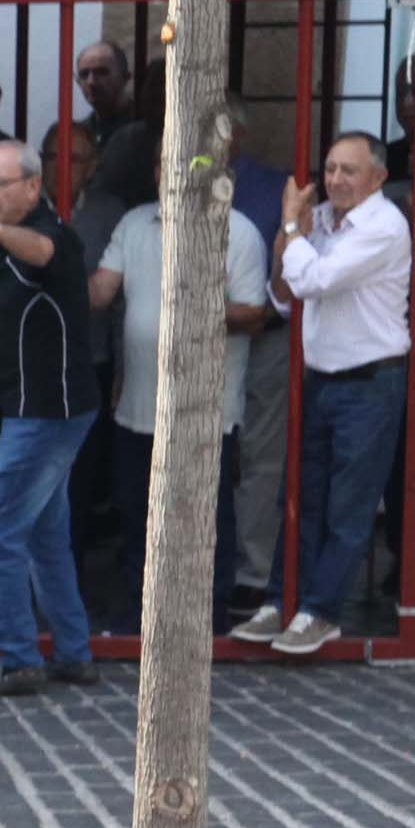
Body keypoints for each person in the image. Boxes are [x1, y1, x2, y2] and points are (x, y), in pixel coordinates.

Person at [86, 121, 271, 631]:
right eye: (165, 164)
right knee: (134, 511)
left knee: (203, 518)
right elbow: (101, 292)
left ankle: (202, 619)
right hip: (137, 404)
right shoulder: (135, 223)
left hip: (203, 407)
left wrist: (192, 309)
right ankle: (135, 612)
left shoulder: (239, 233)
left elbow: (254, 314)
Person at [236, 131, 413, 656]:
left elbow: (312, 281)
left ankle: (320, 610)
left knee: (348, 508)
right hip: (322, 380)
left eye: (348, 170)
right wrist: (290, 241)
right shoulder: (328, 224)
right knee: (301, 497)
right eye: (331, 168)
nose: (335, 179)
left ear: (377, 177)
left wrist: (291, 226)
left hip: (369, 383)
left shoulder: (382, 226)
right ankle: (283, 599)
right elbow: (284, 297)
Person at [0, 138, 101, 692]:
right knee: (42, 534)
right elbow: (8, 266)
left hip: (46, 415)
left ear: (34, 186)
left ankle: (18, 660)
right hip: (40, 411)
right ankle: (73, 652)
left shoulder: (53, 235)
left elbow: (39, 252)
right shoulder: (12, 245)